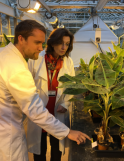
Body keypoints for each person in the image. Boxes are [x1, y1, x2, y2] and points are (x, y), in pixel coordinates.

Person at [0, 20, 90, 161]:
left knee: (54, 148)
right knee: (39, 146)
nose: (41, 48)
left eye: (42, 43)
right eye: (37, 43)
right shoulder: (17, 67)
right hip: (7, 147)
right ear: (21, 39)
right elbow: (34, 109)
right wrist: (67, 132)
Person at [27, 28, 75, 161]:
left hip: (58, 107)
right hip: (40, 106)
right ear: (53, 43)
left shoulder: (68, 62)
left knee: (56, 147)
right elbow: (27, 83)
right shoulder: (36, 59)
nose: (64, 47)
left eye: (67, 44)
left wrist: (65, 103)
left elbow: (71, 86)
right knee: (40, 148)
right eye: (61, 43)